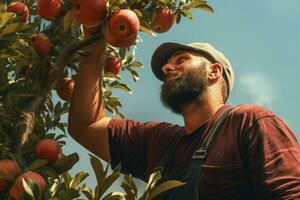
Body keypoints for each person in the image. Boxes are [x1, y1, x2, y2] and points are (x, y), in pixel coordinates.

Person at [68, 38, 300, 200]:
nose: (167, 67)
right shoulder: (160, 141)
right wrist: (95, 39)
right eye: (167, 64)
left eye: (181, 60)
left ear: (214, 72)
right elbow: (86, 126)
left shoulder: (248, 122)